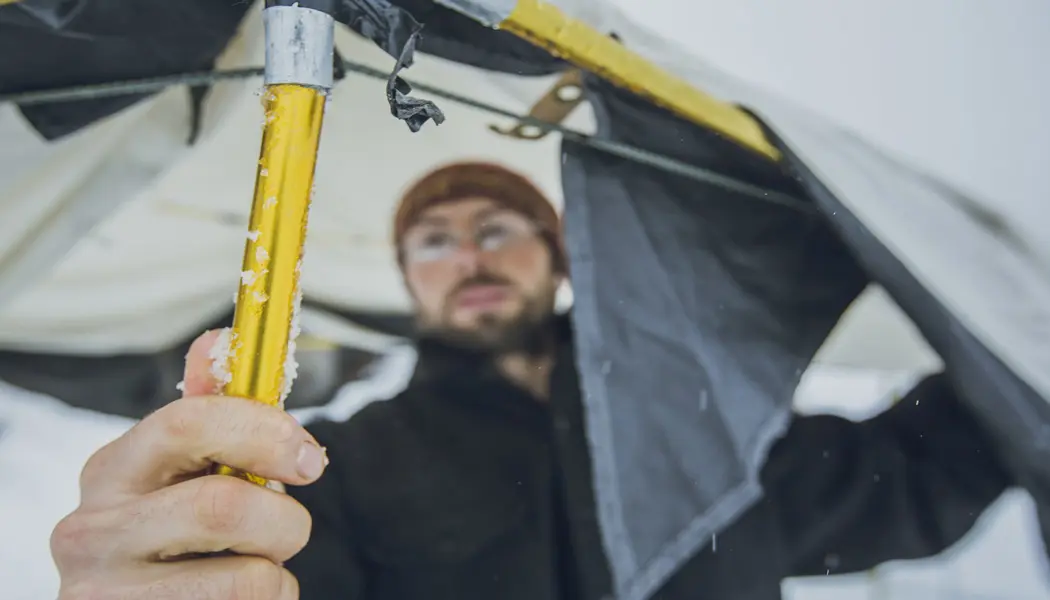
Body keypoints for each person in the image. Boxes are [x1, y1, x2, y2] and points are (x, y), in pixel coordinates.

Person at [51, 162, 1016, 600]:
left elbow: (914, 483)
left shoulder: (697, 422)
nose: (467, 254)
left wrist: (1012, 343)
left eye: (498, 227)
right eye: (434, 240)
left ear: (558, 259)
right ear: (411, 280)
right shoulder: (339, 462)